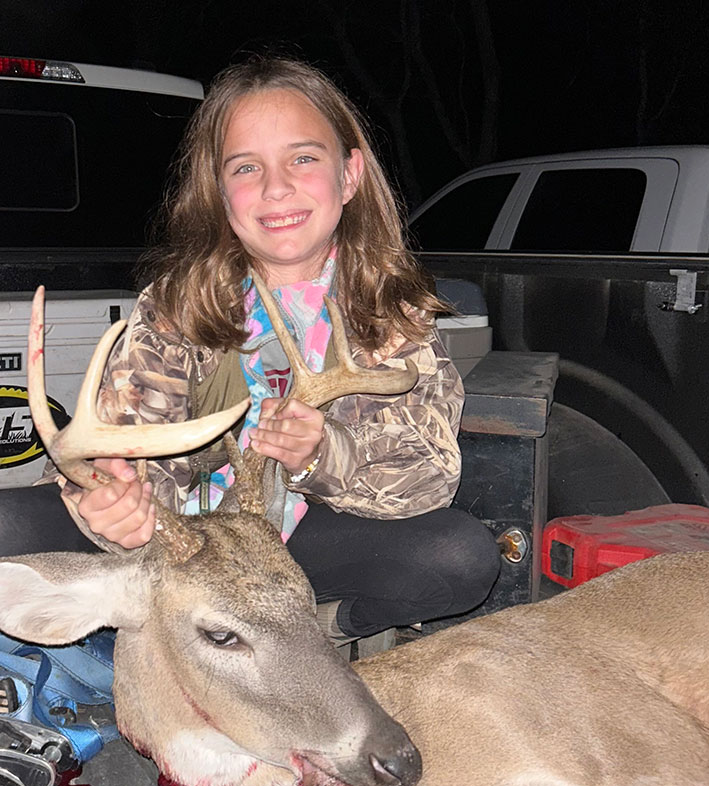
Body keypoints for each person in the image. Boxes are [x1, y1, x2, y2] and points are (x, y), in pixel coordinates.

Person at [5, 54, 500, 642]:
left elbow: (430, 475)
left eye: (303, 158)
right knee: (10, 525)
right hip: (178, 536)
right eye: (245, 167)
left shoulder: (393, 314)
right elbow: (114, 449)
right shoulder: (178, 305)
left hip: (296, 543)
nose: (275, 187)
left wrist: (324, 453)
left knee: (457, 555)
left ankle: (315, 636)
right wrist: (114, 505)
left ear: (349, 176)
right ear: (220, 192)